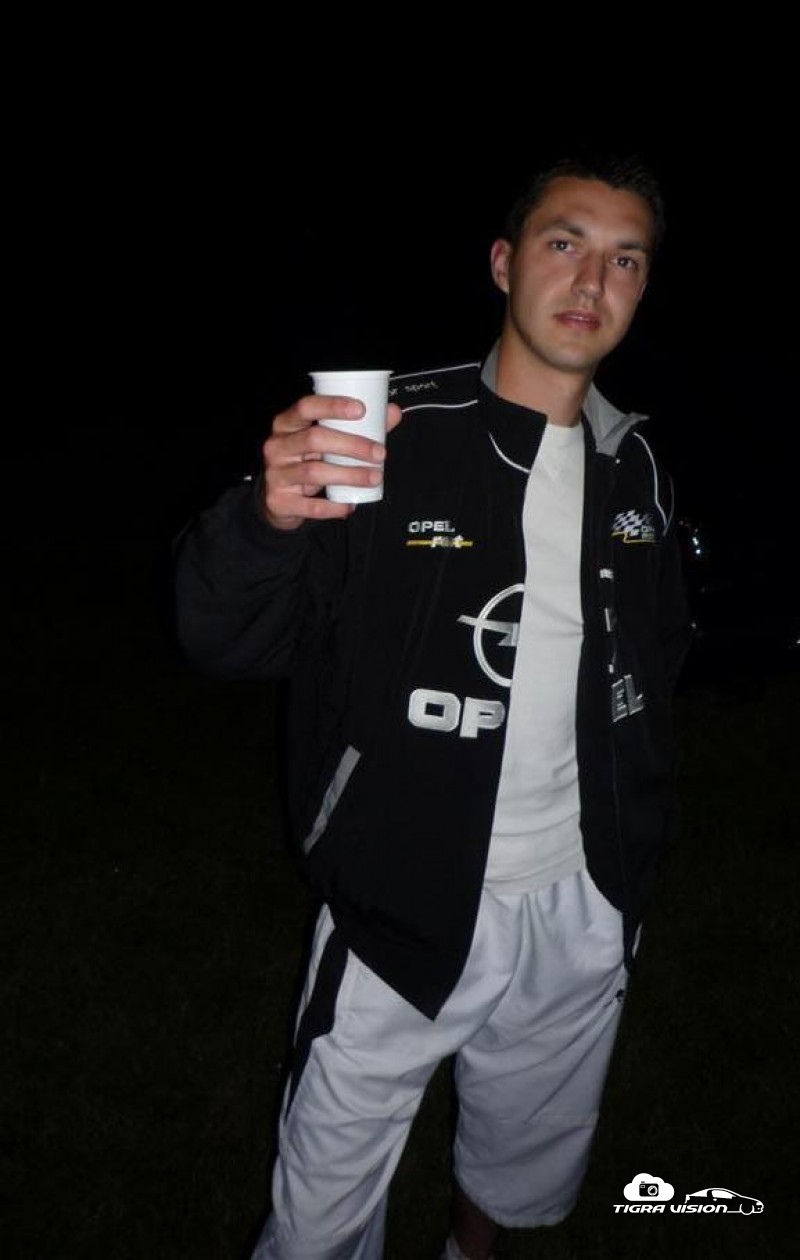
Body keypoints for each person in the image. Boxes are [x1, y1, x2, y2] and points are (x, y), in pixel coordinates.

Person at [173, 153, 692, 1260]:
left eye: (625, 260)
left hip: (580, 898)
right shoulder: (389, 435)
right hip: (400, 899)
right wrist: (267, 518)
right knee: (317, 1212)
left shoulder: (635, 462)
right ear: (503, 263)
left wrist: (632, 847)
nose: (590, 281)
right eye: (564, 243)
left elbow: (654, 661)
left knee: (520, 1156)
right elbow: (222, 637)